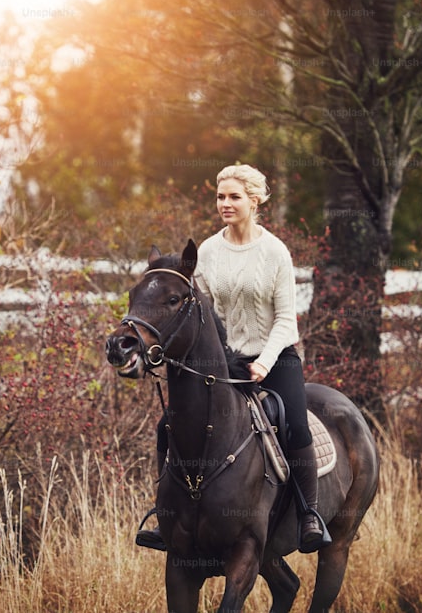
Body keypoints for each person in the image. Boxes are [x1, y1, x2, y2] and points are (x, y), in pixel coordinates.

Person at [136, 163, 330, 554]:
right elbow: (202, 315)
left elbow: (285, 320)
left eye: (234, 197)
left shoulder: (275, 252)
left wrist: (265, 361)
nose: (225, 203)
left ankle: (309, 514)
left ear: (254, 201)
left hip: (275, 358)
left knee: (294, 425)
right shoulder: (207, 250)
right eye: (221, 197)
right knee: (166, 426)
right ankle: (162, 515)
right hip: (223, 362)